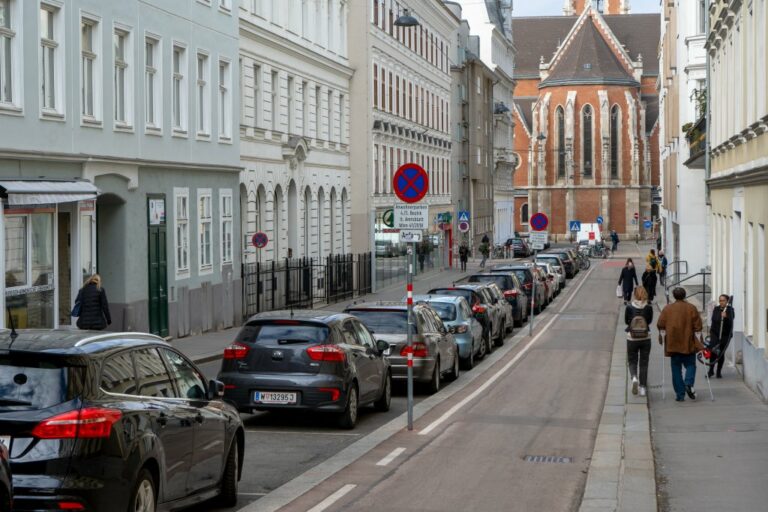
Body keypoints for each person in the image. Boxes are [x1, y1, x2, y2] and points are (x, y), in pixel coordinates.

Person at [657, 287, 704, 402]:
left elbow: (660, 323)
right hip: (688, 343)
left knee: (676, 369)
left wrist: (663, 333)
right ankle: (688, 383)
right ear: (684, 296)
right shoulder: (691, 308)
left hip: (673, 343)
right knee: (691, 365)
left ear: (674, 296)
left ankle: (680, 394)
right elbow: (698, 326)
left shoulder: (668, 309)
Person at [625, 286, 654, 396]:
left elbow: (626, 321)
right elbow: (649, 321)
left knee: (632, 360)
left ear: (635, 294)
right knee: (644, 362)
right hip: (645, 338)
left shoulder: (629, 307)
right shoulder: (648, 307)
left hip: (632, 338)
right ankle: (642, 388)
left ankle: (634, 378)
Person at [708, 294, 735, 378]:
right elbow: (713, 320)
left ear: (727, 301)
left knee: (720, 353)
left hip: (725, 336)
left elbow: (730, 322)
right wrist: (711, 333)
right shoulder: (716, 309)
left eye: (723, 300)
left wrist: (726, 317)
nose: (721, 302)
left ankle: (718, 371)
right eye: (720, 300)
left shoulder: (730, 310)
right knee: (713, 351)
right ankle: (711, 370)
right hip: (715, 334)